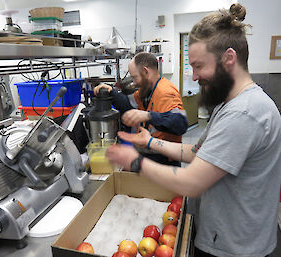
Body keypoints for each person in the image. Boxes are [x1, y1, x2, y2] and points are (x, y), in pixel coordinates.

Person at [105, 4, 281, 257]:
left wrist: (134, 162)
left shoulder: (245, 112)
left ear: (228, 58)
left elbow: (192, 182)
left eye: (198, 66)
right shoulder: (229, 104)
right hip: (223, 234)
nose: (194, 76)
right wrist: (151, 142)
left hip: (235, 247)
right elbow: (198, 152)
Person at [94, 52, 188, 165]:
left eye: (134, 77)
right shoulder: (147, 90)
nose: (133, 83)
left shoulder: (165, 92)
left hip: (163, 162)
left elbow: (180, 123)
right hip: (148, 157)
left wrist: (148, 116)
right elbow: (128, 104)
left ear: (145, 72)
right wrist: (111, 92)